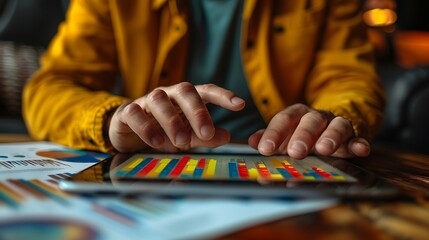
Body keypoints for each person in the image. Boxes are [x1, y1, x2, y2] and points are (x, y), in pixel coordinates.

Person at [23, 0, 385, 160]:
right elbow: (50, 87)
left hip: (290, 163)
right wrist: (111, 118)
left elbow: (349, 77)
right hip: (151, 163)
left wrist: (332, 117)